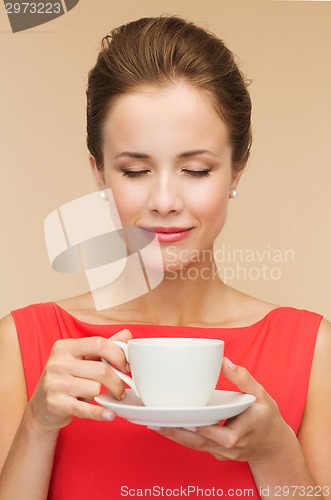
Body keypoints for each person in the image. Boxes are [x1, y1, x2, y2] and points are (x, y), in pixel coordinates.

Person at [0, 15, 330, 500]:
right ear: (100, 173)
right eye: (135, 171)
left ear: (237, 169)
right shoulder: (24, 345)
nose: (165, 200)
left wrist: (274, 451)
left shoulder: (313, 351)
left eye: (196, 169)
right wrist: (37, 423)